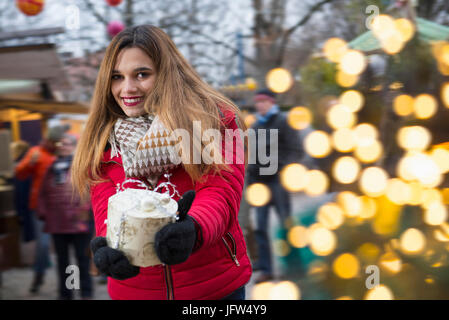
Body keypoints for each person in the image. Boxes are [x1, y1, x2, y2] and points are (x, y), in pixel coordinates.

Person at [71, 25, 252, 300]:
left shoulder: (218, 120)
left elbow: (222, 190)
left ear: (166, 74)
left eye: (142, 74)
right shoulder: (101, 137)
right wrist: (110, 246)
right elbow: (106, 206)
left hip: (212, 288)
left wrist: (194, 228)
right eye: (117, 77)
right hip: (136, 292)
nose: (127, 88)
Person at [246, 89, 304, 284]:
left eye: (263, 101)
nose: (259, 105)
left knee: (286, 224)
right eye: (257, 102)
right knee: (261, 227)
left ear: (271, 102)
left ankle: (295, 265)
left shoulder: (283, 121)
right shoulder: (254, 126)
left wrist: (281, 167)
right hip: (260, 185)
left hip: (278, 181)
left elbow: (296, 150)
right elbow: (251, 155)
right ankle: (267, 269)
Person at [36, 133, 93, 300]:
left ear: (74, 147)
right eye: (61, 144)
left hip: (78, 222)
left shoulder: (81, 166)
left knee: (82, 259)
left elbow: (90, 190)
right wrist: (43, 213)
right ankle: (68, 292)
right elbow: (43, 193)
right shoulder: (51, 168)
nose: (63, 146)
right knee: (63, 261)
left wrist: (85, 211)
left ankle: (86, 293)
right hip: (58, 222)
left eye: (67, 144)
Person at [15, 124, 70, 293]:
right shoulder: (37, 152)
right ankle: (38, 276)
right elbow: (20, 173)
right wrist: (29, 163)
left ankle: (69, 286)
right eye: (57, 141)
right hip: (42, 208)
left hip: (65, 208)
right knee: (44, 245)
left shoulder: (66, 154)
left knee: (68, 249)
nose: (59, 144)